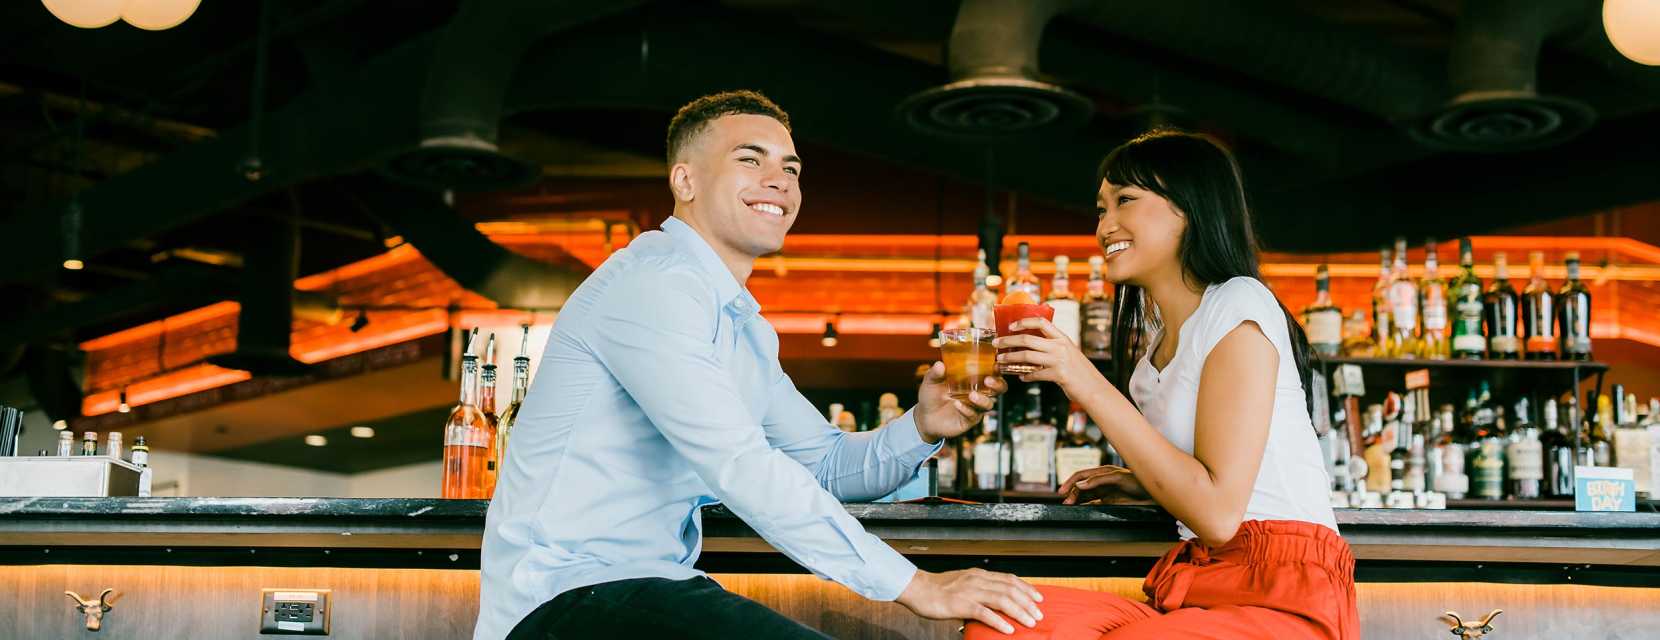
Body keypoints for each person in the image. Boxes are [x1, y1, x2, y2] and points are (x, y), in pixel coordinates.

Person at [474, 90, 1045, 640]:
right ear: (685, 180)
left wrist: (921, 428)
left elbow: (823, 464)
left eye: (791, 169)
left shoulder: (743, 327)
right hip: (565, 596)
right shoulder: (653, 284)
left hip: (643, 590)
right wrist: (915, 585)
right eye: (750, 160)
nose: (780, 180)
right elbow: (740, 466)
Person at [967, 130, 1358, 640]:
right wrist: (1142, 482)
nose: (1106, 225)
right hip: (1205, 582)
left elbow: (1219, 514)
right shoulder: (1151, 358)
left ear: (1190, 209)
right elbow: (1209, 484)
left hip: (1284, 590)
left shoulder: (1239, 302)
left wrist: (1079, 374)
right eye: (1101, 209)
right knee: (1001, 623)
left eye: (1125, 200)